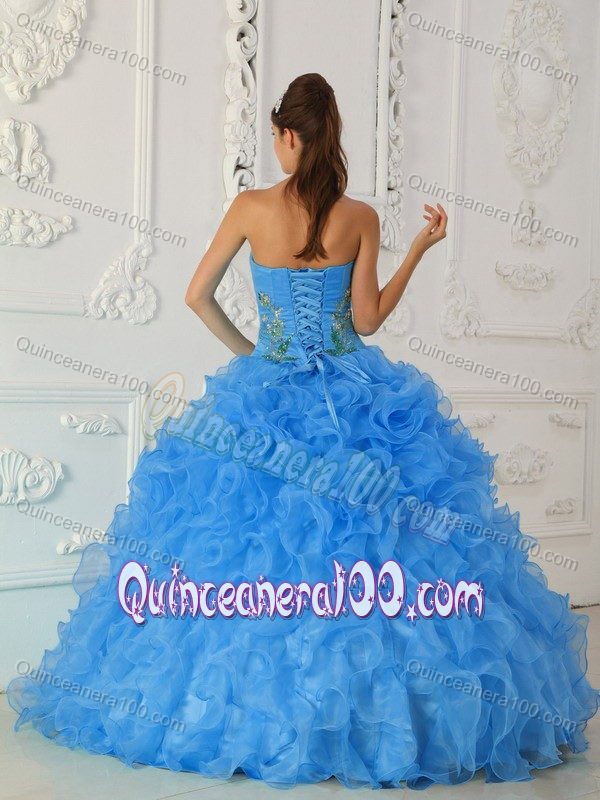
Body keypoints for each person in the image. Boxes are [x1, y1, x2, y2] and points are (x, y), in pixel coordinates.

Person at [6, 72, 599, 792]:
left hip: (266, 391)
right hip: (355, 397)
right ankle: (376, 713)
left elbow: (196, 295)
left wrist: (254, 357)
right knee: (379, 552)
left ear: (289, 135)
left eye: (278, 136)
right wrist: (420, 247)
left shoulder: (252, 208)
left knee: (248, 554)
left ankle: (251, 713)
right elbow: (369, 321)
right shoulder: (359, 217)